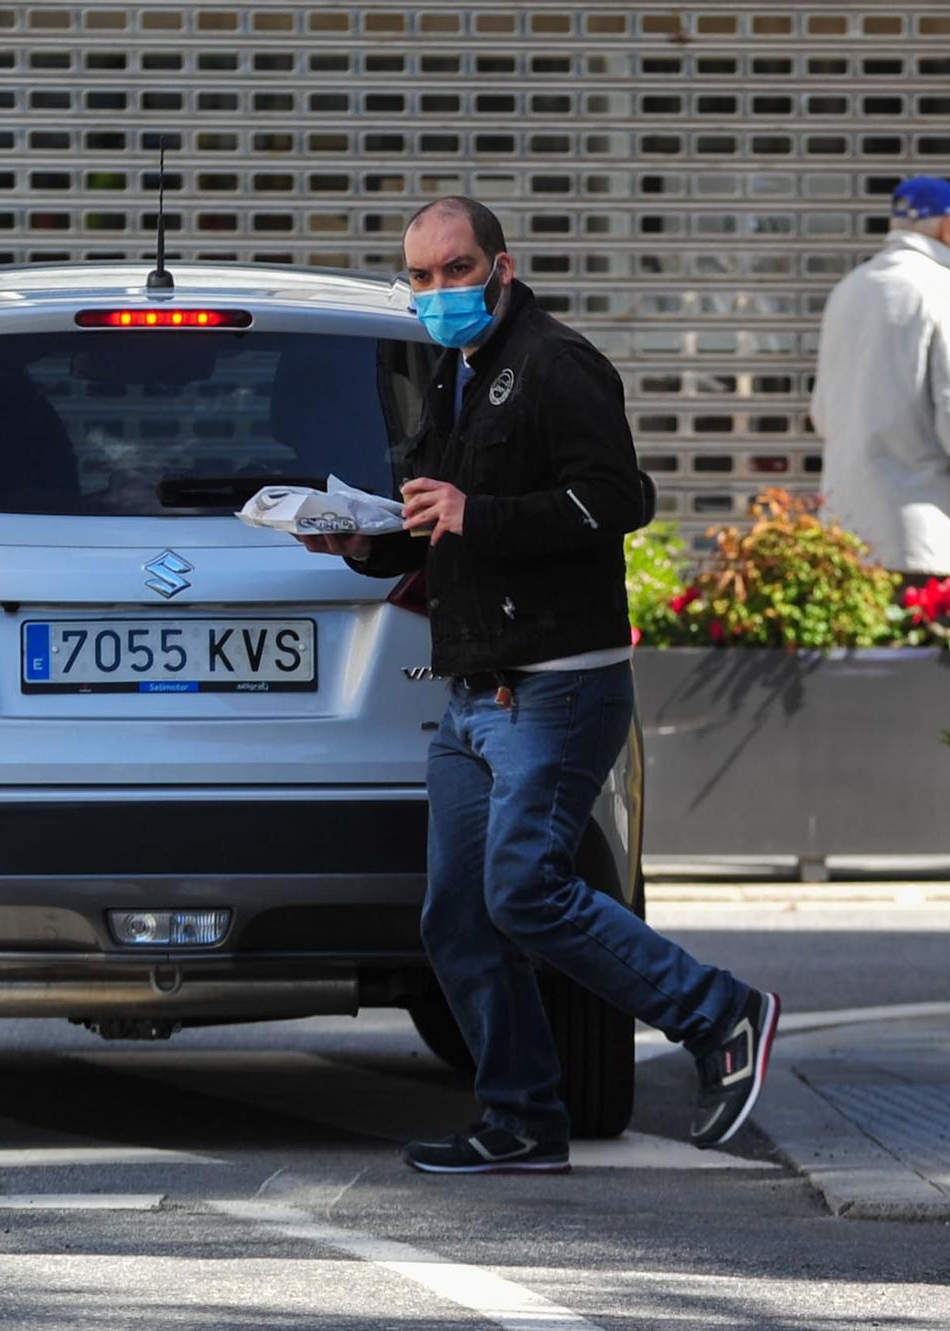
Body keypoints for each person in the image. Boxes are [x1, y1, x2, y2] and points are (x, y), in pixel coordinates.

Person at [297, 197, 778, 1172]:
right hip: (475, 687)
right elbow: (443, 524)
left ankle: (721, 1011)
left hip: (556, 681)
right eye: (421, 277)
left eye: (456, 270)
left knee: (524, 889)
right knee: (457, 916)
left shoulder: (558, 365)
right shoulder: (455, 371)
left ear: (501, 268)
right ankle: (520, 1116)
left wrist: (479, 511)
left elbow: (615, 500)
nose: (438, 292)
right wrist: (364, 540)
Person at [811, 176, 950, 580]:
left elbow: (822, 413)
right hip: (923, 536)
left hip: (844, 533)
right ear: (949, 226)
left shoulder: (848, 290)